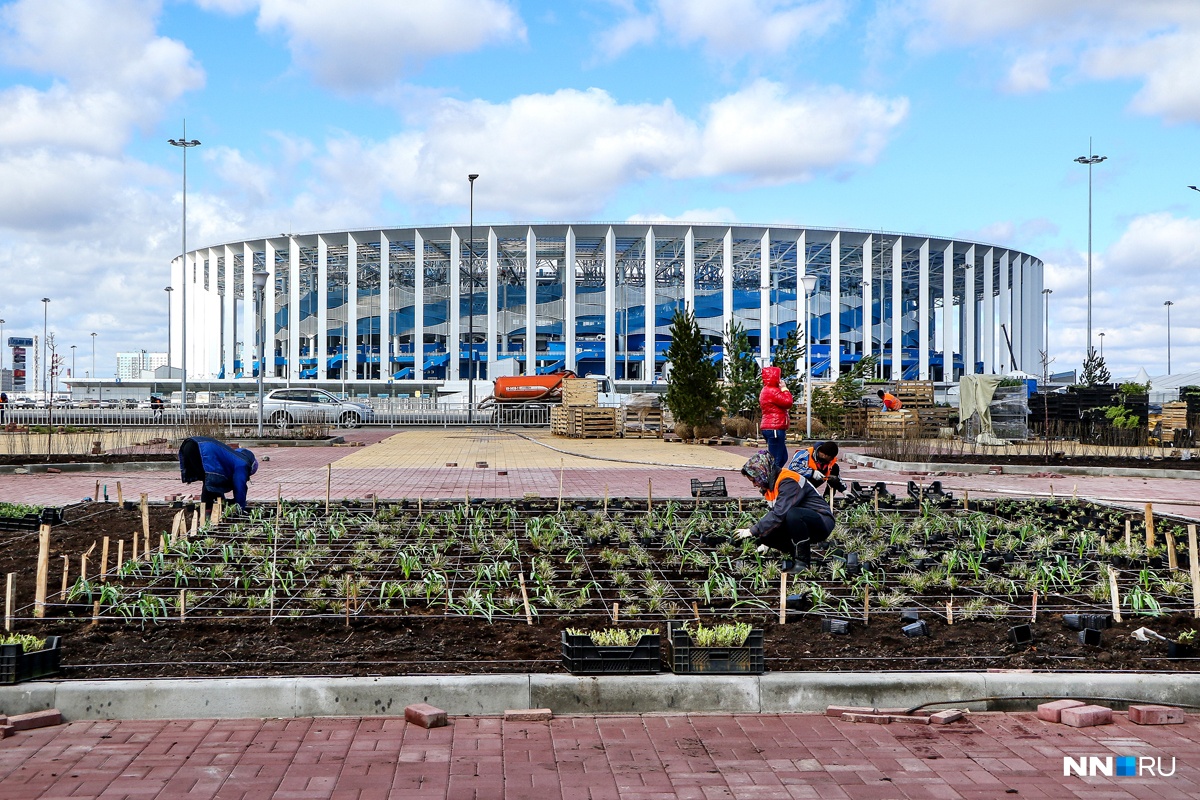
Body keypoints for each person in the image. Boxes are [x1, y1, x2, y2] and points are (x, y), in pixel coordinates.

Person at [734, 451, 836, 571]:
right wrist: (766, 540)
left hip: (821, 520)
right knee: (766, 533)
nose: (754, 484)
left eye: (754, 480)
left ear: (763, 473)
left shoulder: (788, 480)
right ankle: (794, 554)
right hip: (802, 523)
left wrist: (751, 531)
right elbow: (775, 517)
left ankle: (802, 563)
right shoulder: (770, 487)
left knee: (794, 515)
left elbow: (780, 514)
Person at [178, 436, 258, 512]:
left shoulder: (231, 456)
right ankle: (207, 513)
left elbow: (218, 480)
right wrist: (240, 508)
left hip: (190, 443)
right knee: (209, 481)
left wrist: (222, 499)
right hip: (200, 448)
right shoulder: (242, 464)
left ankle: (206, 510)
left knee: (208, 480)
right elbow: (240, 486)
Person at [758, 366, 793, 469]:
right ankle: (771, 482)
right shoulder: (773, 391)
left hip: (772, 426)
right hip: (775, 427)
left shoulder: (766, 390)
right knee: (775, 460)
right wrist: (785, 389)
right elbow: (788, 402)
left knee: (782, 457)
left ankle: (773, 478)